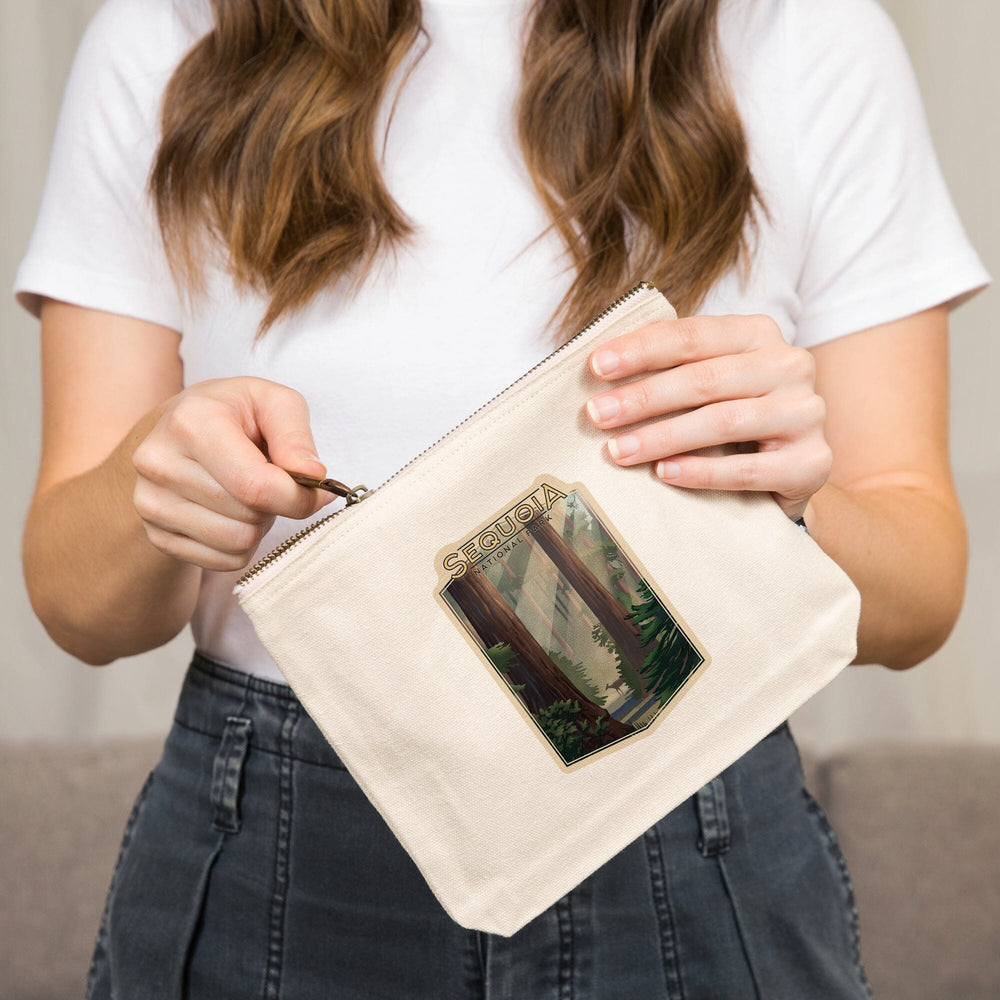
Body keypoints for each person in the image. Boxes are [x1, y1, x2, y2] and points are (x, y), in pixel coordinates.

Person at [15, 0, 988, 996]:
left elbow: (918, 595)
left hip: (686, 795)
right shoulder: (169, 33)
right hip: (283, 822)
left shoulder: (804, 35)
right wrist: (160, 479)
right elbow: (78, 605)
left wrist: (788, 507)